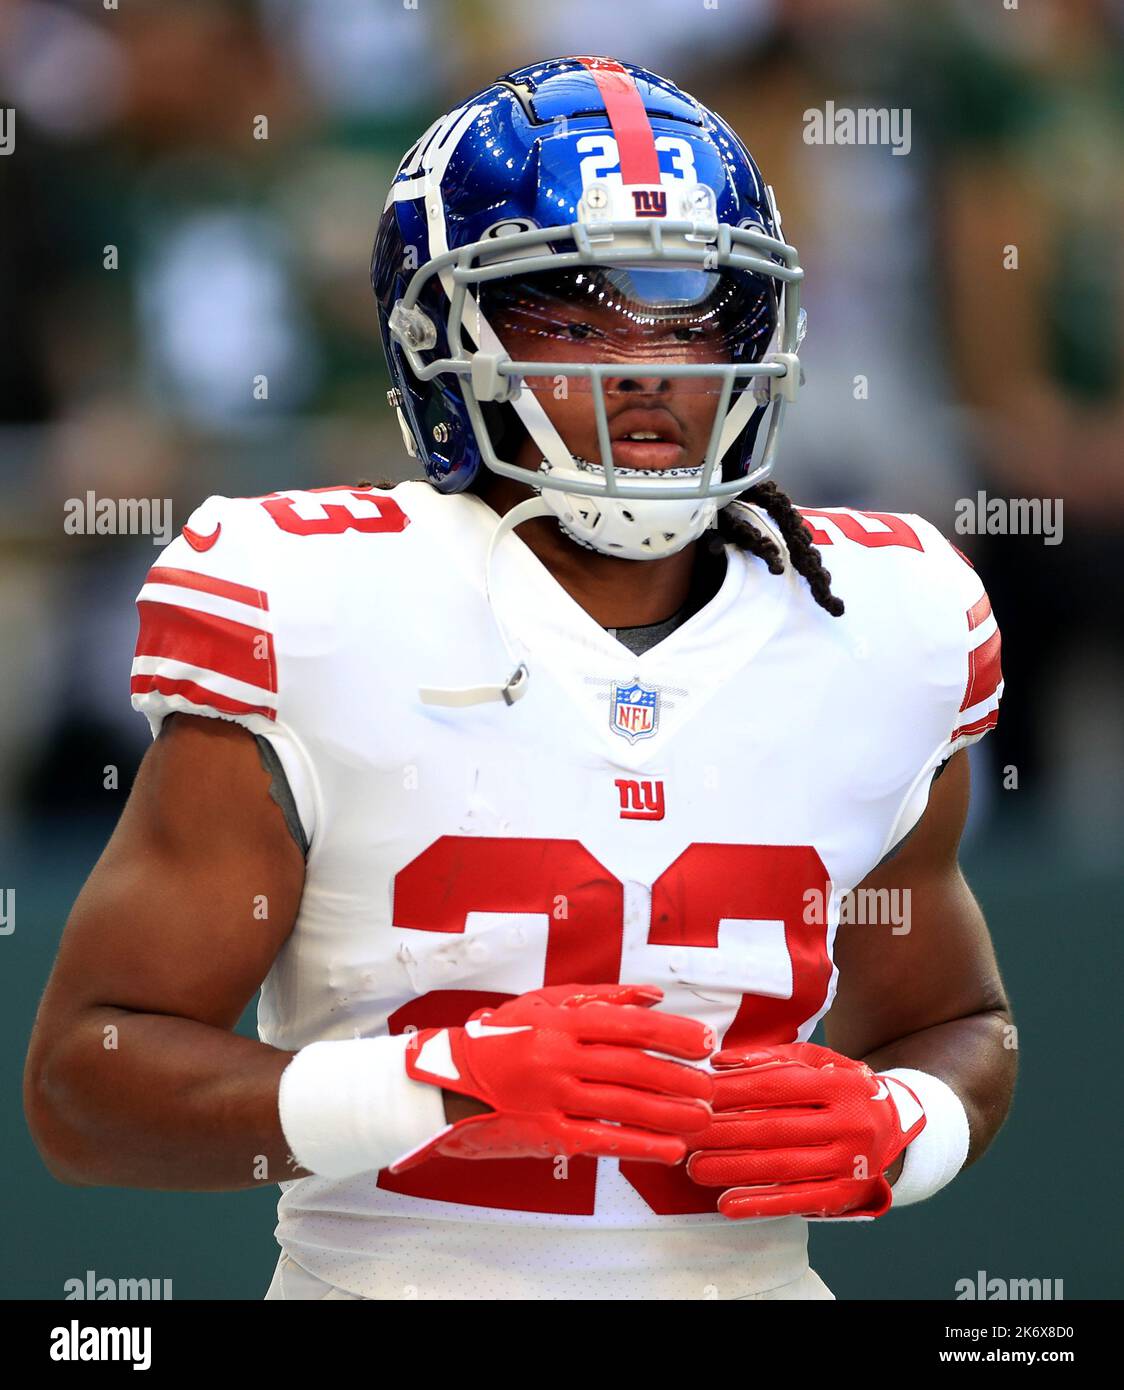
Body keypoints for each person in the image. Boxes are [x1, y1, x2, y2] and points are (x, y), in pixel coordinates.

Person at [24, 56, 1014, 1301]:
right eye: (574, 310)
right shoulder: (314, 602)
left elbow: (961, 1022)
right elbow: (85, 1090)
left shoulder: (886, 619)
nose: (648, 361)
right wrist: (441, 1080)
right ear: (443, 337)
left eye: (693, 310)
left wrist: (902, 1126)